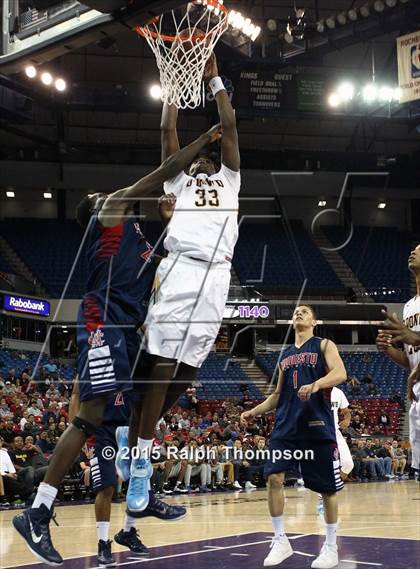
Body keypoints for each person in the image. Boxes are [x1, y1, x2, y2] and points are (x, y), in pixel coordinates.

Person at [12, 123, 222, 566]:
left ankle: (137, 506)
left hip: (129, 329)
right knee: (90, 419)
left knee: (156, 393)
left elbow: (172, 263)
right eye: (104, 195)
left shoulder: (138, 237)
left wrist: (176, 220)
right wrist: (201, 143)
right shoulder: (108, 214)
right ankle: (38, 510)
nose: (113, 194)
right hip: (103, 321)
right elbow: (165, 167)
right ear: (97, 209)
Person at [117, 51, 241, 510]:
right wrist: (172, 90)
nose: (207, 162)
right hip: (183, 268)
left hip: (218, 278)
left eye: (212, 158)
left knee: (187, 372)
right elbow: (168, 132)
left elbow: (228, 126)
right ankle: (142, 464)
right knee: (163, 365)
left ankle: (132, 434)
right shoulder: (178, 183)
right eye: (202, 160)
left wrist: (215, 82)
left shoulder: (231, 180)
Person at [241, 305, 347, 568]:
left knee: (326, 489)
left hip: (316, 425)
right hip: (286, 427)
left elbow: (340, 373)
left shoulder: (323, 345)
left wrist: (317, 384)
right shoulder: (285, 355)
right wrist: (254, 411)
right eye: (296, 312)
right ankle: (280, 540)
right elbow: (277, 395)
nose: (299, 313)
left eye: (305, 312)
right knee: (273, 478)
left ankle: (331, 547)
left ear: (314, 321)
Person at [69, 376, 186, 567]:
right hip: (101, 433)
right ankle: (103, 544)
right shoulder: (96, 358)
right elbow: (75, 394)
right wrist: (77, 432)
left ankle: (128, 532)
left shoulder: (132, 359)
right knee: (106, 488)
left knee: (138, 478)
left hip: (128, 428)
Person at [377, 243, 420, 478]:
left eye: (419, 249)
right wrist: (388, 350)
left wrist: (412, 336)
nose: (412, 251)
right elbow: (410, 359)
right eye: (411, 248)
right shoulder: (408, 307)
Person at [317, 386, 353, 515]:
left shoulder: (338, 392)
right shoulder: (314, 389)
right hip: (318, 431)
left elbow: (346, 411)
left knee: (348, 464)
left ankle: (329, 490)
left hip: (335, 431)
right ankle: (323, 498)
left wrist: (347, 419)